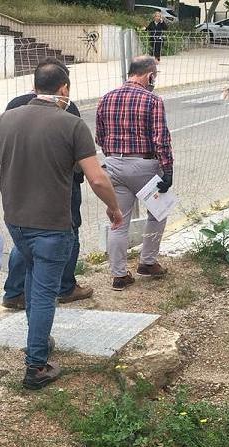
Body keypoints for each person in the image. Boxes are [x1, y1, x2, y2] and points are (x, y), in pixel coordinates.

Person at [0, 61, 123, 390]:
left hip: (17, 222)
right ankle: (36, 365)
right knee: (44, 293)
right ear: (64, 89)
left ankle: (37, 340)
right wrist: (114, 208)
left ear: (34, 86)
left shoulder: (5, 120)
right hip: (53, 226)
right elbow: (96, 177)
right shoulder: (71, 124)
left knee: (32, 279)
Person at [0, 58, 93, 311]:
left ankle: (14, 291)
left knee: (25, 243)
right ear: (62, 87)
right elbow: (79, 159)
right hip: (59, 188)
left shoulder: (14, 106)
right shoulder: (67, 109)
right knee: (70, 234)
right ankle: (66, 287)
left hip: (20, 187)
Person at [96, 55, 175, 291]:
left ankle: (119, 275)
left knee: (119, 220)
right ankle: (147, 262)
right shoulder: (153, 100)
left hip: (113, 165)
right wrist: (167, 170)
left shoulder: (106, 98)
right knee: (159, 212)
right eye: (155, 76)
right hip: (144, 167)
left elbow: (99, 137)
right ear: (149, 75)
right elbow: (161, 140)